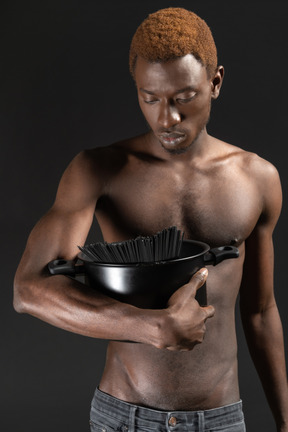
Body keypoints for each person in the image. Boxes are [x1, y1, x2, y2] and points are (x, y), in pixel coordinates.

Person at [13, 7, 288, 432]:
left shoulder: (258, 179)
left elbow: (261, 311)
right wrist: (149, 326)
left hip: (219, 419)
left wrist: (285, 421)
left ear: (215, 83)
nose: (167, 119)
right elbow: (28, 290)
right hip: (124, 416)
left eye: (183, 97)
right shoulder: (98, 169)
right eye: (150, 98)